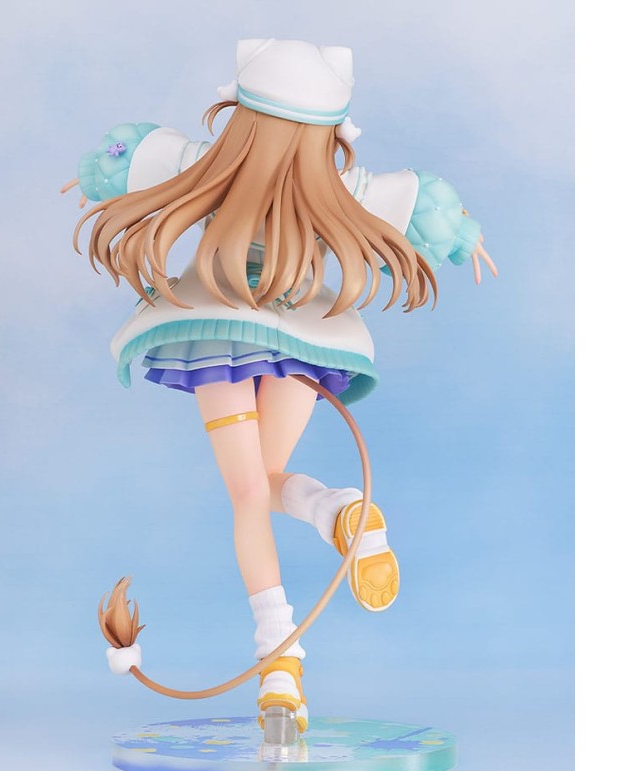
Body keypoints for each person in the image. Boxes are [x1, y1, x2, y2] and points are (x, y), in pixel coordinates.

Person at [67, 38, 497, 734]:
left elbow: (131, 156)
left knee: (247, 494)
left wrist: (96, 175)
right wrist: (463, 237)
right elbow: (424, 206)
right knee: (262, 482)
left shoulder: (208, 166)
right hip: (303, 340)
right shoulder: (341, 188)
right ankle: (338, 511)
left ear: (241, 115)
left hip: (218, 334)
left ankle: (280, 658)